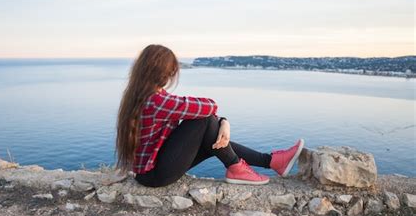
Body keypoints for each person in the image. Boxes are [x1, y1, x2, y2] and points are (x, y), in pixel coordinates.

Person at [115, 44, 304, 188]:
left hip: (151, 169)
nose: (172, 75)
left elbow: (194, 107)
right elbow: (208, 106)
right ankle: (239, 167)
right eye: (171, 71)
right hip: (155, 175)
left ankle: (270, 162)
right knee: (205, 121)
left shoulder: (144, 95)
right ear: (163, 72)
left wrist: (222, 121)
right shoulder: (155, 100)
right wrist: (223, 121)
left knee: (210, 137)